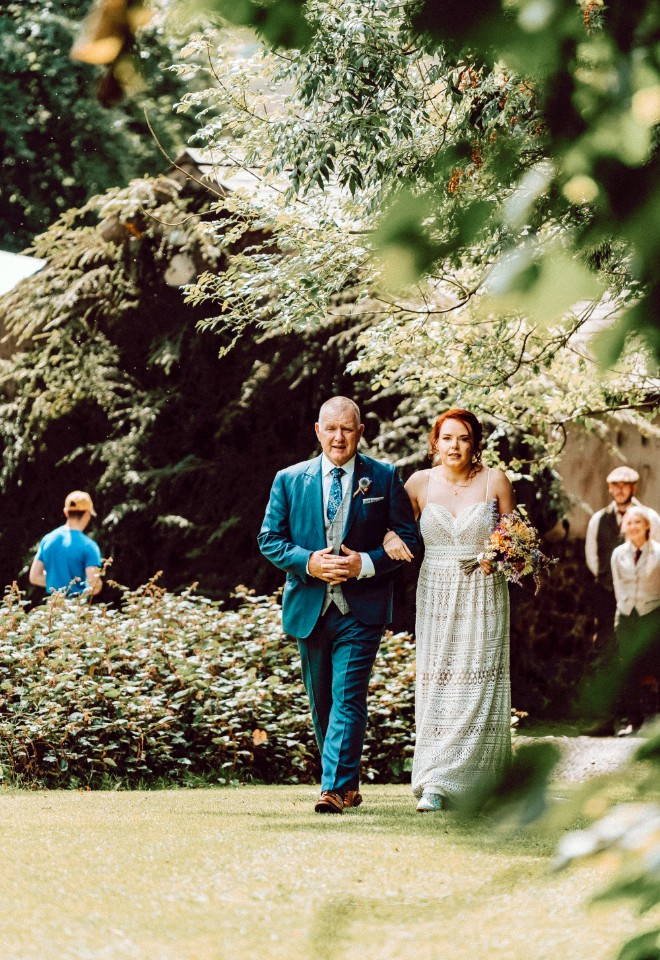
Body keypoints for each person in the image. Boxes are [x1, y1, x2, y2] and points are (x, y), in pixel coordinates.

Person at [258, 396, 419, 814]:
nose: (338, 437)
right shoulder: (290, 479)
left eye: (347, 428)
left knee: (348, 695)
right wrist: (308, 561)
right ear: (317, 431)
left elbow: (409, 540)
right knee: (322, 702)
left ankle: (331, 789)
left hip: (361, 609)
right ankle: (346, 781)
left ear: (360, 432)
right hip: (309, 606)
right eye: (330, 428)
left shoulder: (382, 478)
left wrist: (362, 564)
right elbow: (269, 539)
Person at [384, 409, 515, 811]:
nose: (454, 446)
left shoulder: (496, 481)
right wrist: (389, 536)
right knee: (440, 680)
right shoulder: (418, 483)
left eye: (463, 438)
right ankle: (436, 781)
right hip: (436, 588)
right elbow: (390, 526)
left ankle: (482, 782)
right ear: (435, 442)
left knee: (479, 681)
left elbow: (515, 539)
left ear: (475, 443)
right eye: (447, 438)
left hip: (484, 589)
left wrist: (502, 554)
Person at [584, 466, 660, 733]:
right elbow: (593, 559)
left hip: (649, 603)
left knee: (649, 657)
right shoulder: (599, 519)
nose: (619, 490)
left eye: (624, 485)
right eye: (614, 485)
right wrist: (613, 587)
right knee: (608, 653)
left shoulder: (650, 516)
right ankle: (610, 718)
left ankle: (647, 717)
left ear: (634, 488)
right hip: (611, 596)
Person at [611, 506, 660, 734]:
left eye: (637, 522)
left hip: (652, 614)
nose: (633, 527)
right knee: (628, 668)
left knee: (654, 666)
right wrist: (624, 612)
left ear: (647, 526)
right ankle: (633, 721)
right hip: (627, 616)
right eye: (629, 523)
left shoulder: (658, 553)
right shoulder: (618, 554)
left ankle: (655, 719)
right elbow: (618, 587)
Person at [29, 490, 103, 598]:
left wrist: (57, 583)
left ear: (66, 512)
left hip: (52, 607)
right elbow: (93, 584)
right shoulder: (89, 546)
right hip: (76, 608)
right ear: (87, 514)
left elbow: (34, 576)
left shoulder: (48, 539)